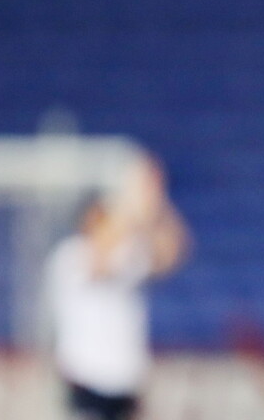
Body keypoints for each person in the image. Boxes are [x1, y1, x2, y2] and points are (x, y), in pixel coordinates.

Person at [42, 156, 191, 420]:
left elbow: (171, 253)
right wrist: (131, 203)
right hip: (88, 383)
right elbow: (99, 260)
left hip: (127, 386)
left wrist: (157, 204)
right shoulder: (70, 255)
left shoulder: (128, 254)